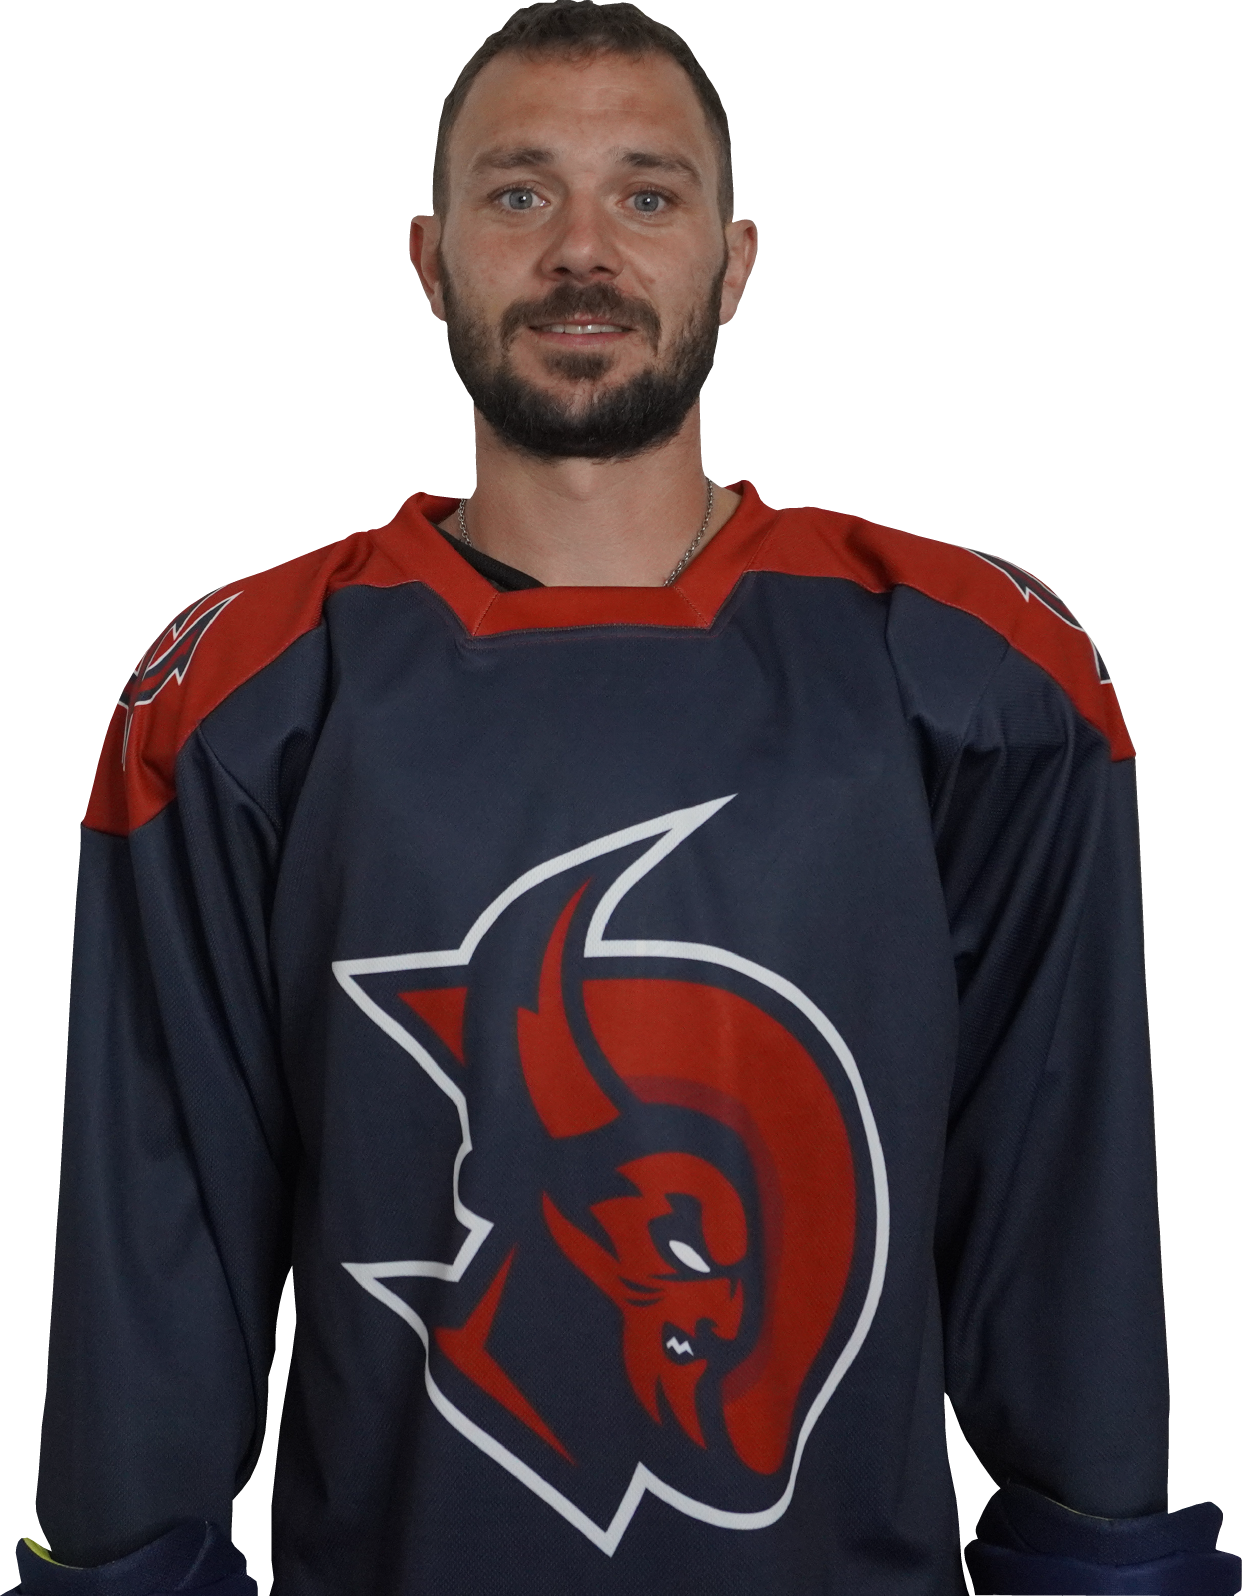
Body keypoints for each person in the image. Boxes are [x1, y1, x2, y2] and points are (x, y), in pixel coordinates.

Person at [6, 3, 1238, 1593]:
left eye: (645, 195)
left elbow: (1058, 1211)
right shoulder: (241, 694)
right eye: (519, 193)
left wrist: (1104, 1561)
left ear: (732, 263)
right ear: (429, 259)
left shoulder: (973, 674)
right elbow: (156, 1246)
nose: (580, 249)